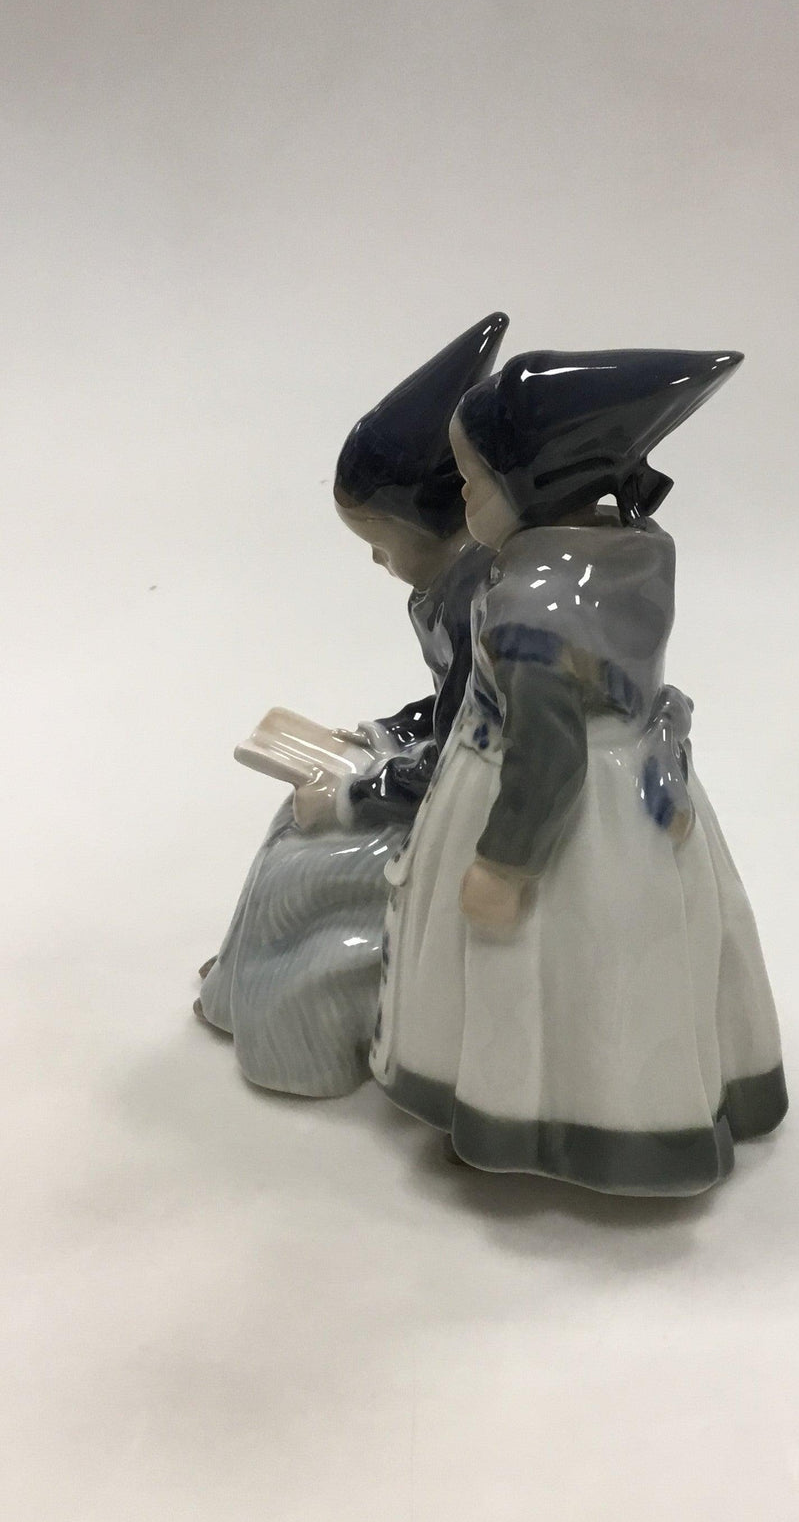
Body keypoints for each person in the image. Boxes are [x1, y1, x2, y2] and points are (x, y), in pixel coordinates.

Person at [372, 347, 787, 1193]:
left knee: (536, 966)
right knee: (641, 961)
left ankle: (531, 1116)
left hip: (547, 812)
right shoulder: (630, 554)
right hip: (638, 794)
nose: (460, 501)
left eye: (472, 482)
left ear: (537, 484)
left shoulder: (530, 608)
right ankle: (661, 1100)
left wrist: (504, 863)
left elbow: (549, 755)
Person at [195, 312, 507, 1096]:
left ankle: (295, 1036)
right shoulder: (446, 590)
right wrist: (381, 732)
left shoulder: (483, 602)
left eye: (380, 540)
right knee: (291, 823)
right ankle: (238, 988)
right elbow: (447, 707)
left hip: (470, 810)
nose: (374, 558)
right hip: (436, 777)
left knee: (308, 861)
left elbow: (470, 749)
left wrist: (355, 792)